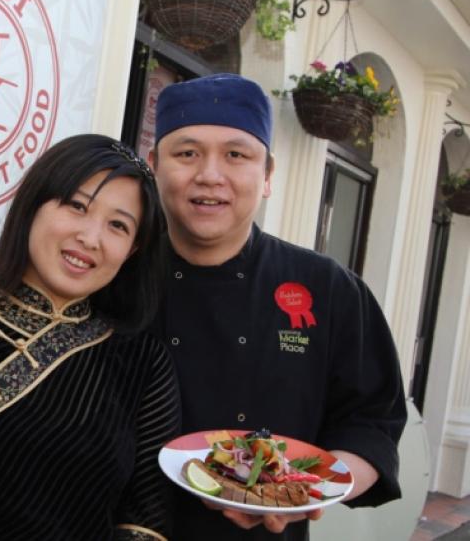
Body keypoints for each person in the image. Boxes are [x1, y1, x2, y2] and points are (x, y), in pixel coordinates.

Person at [0, 134, 181, 541]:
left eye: (117, 225)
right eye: (77, 206)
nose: (91, 238)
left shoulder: (145, 360)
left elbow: (147, 513)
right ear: (35, 202)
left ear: (132, 249)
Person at [147, 74, 407, 541]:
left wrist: (306, 491)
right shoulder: (116, 278)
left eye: (236, 155)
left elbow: (372, 424)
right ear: (154, 166)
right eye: (186, 153)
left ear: (267, 175)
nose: (209, 174)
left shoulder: (328, 289)